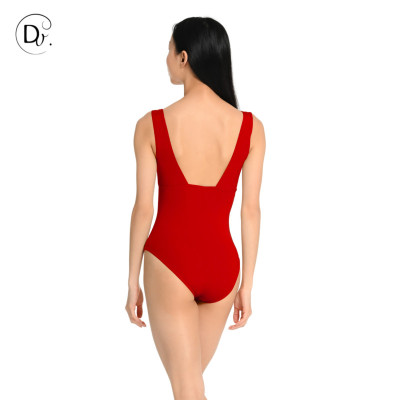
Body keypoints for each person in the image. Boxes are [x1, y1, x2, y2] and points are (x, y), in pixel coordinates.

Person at [126, 17, 265, 400]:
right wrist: (247, 285)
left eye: (169, 50)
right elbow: (250, 210)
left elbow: (143, 208)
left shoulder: (151, 125)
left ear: (184, 57)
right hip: (224, 268)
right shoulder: (250, 127)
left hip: (171, 261)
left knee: (187, 389)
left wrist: (132, 279)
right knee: (190, 387)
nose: (166, 59)